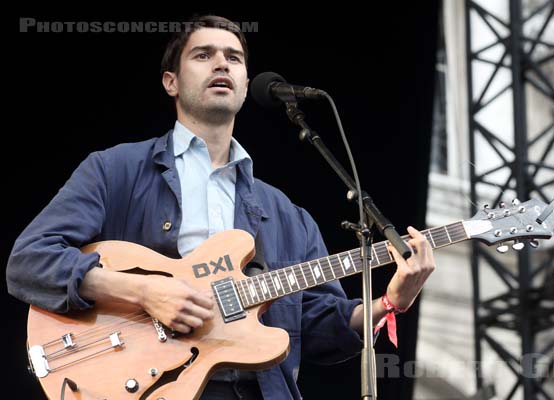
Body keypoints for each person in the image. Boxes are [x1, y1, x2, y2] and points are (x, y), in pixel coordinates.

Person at [6, 15, 435, 400]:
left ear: (247, 85)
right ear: (170, 81)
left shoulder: (286, 214)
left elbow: (321, 328)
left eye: (234, 57)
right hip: (146, 384)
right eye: (203, 54)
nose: (222, 64)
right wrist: (144, 291)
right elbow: (29, 261)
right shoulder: (115, 170)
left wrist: (390, 301)